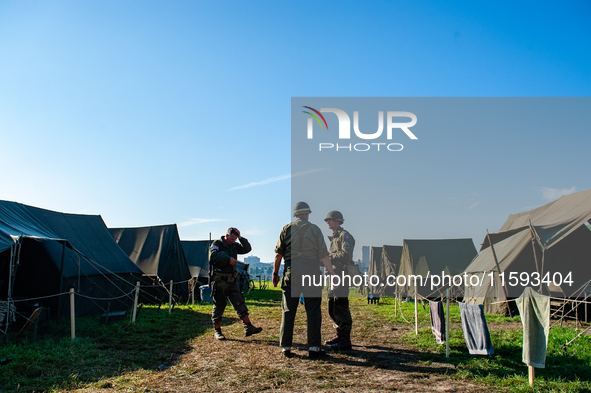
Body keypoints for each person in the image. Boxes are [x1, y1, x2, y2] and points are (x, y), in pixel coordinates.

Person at [273, 201, 336, 358]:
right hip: (311, 272)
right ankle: (314, 348)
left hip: (291, 272)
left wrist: (275, 274)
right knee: (313, 310)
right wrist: (332, 275)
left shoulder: (286, 229)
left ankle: (286, 347)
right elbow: (324, 256)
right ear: (307, 214)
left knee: (288, 310)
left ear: (295, 214)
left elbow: (278, 255)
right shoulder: (315, 230)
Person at [209, 227, 263, 340]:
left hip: (232, 280)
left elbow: (247, 249)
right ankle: (217, 331)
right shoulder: (217, 243)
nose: (233, 242)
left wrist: (240, 238)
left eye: (235, 240)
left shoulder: (234, 245)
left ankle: (248, 326)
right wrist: (228, 259)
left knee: (240, 302)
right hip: (220, 280)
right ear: (226, 236)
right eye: (232, 239)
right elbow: (212, 256)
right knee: (219, 305)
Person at [324, 210, 355, 351]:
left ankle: (345, 339)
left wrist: (330, 256)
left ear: (337, 220)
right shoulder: (334, 238)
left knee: (341, 306)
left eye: (329, 220)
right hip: (333, 275)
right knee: (332, 307)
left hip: (341, 275)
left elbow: (346, 255)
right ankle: (339, 334)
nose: (327, 222)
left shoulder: (345, 236)